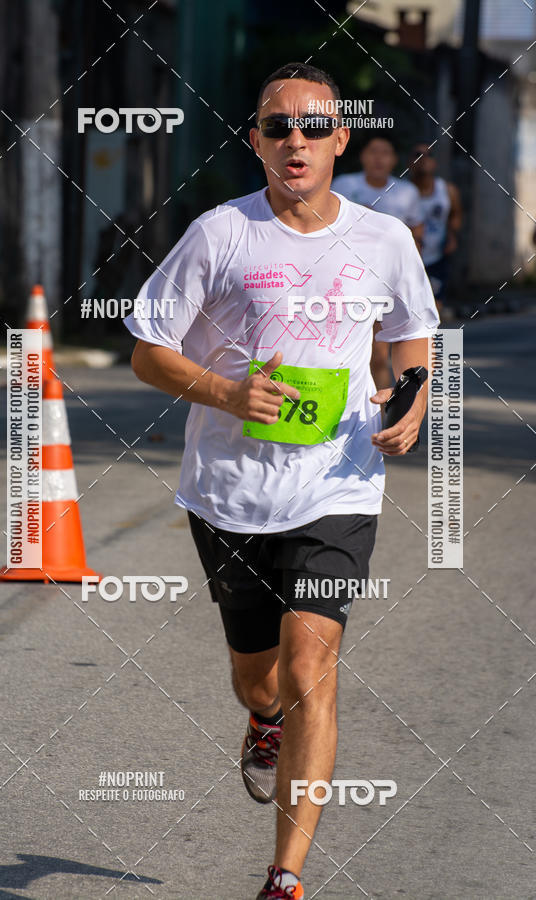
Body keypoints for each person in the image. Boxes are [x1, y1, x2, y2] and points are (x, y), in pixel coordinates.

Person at [125, 62, 438, 900]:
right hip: (229, 491)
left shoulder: (385, 239)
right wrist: (226, 391)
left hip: (337, 485)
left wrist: (413, 397)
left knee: (311, 669)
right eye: (275, 127)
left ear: (341, 139)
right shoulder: (220, 233)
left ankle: (285, 877)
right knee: (259, 679)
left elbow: (412, 337)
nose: (293, 140)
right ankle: (261, 722)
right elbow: (147, 349)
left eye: (310, 127)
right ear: (256, 141)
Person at [332, 134, 424, 391]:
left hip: (386, 283)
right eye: (373, 151)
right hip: (348, 279)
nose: (378, 158)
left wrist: (412, 278)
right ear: (362, 156)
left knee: (379, 357)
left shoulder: (407, 192)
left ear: (394, 159)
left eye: (385, 153)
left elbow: (417, 235)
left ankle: (382, 420)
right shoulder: (343, 185)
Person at [408, 142, 462, 319]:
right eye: (418, 154)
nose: (423, 159)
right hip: (409, 260)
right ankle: (417, 347)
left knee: (436, 309)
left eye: (428, 155)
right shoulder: (401, 192)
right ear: (410, 162)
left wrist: (452, 236)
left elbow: (455, 215)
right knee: (409, 311)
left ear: (435, 163)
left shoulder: (447, 190)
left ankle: (444, 347)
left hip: (436, 258)